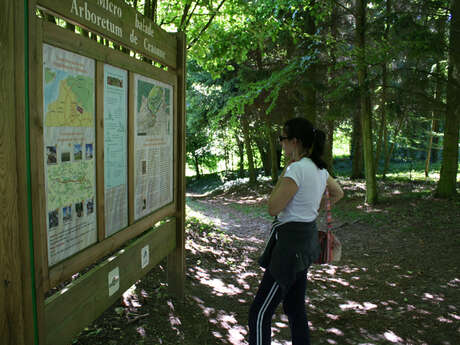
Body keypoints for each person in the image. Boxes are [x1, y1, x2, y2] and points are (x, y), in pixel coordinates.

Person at [248, 117, 344, 345]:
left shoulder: (297, 169)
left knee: (259, 312)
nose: (281, 143)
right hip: (306, 243)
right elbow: (338, 192)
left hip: (289, 249)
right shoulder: (319, 170)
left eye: (283, 139)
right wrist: (312, 209)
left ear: (295, 141)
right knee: (294, 308)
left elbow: (273, 207)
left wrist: (285, 173)